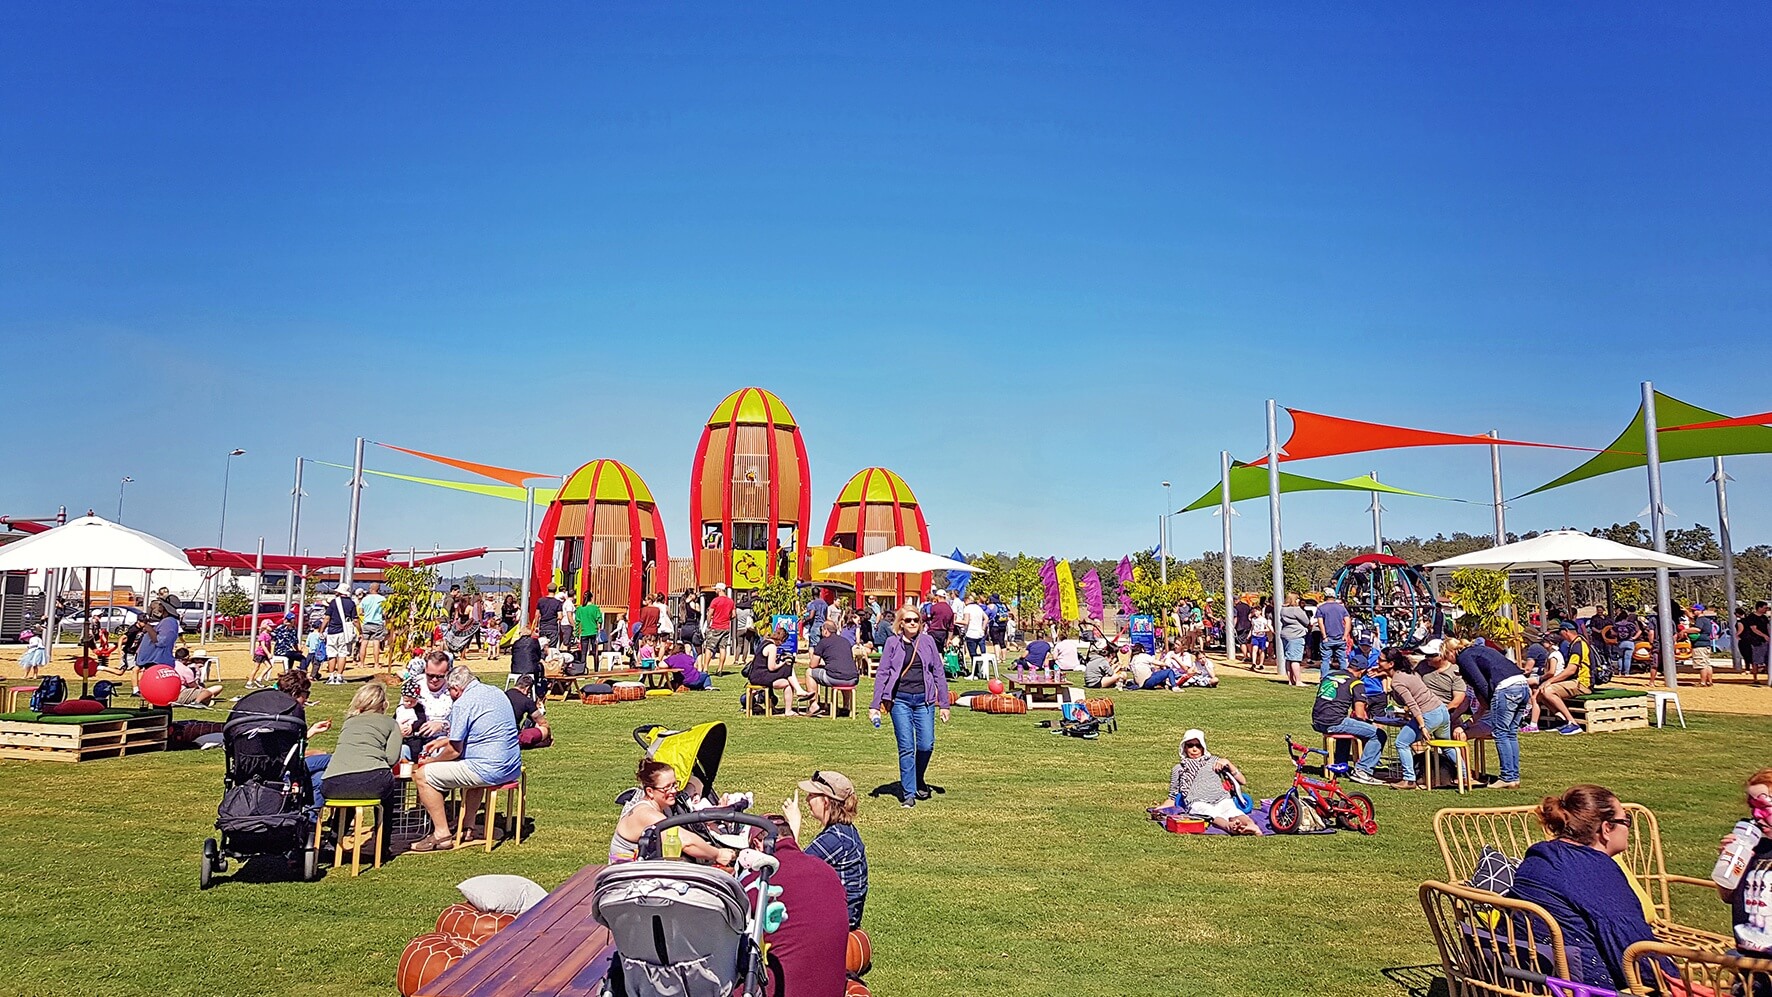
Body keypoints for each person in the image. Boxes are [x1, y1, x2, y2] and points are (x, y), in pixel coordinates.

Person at [1509, 785, 1673, 989]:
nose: (1628, 828)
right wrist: (1675, 980)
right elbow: (1635, 951)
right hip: (1584, 987)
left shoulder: (1537, 858)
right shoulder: (1595, 870)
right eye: (1626, 821)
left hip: (1527, 980)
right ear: (1606, 829)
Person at [410, 664, 522, 852]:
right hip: (511, 765)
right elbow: (480, 732)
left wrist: (430, 762)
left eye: (449, 691)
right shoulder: (496, 692)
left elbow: (454, 751)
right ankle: (467, 825)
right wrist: (444, 741)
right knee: (470, 771)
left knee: (422, 776)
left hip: (487, 769)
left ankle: (441, 834)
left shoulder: (463, 703)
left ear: (456, 689)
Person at [748, 814, 850, 997]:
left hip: (781, 989)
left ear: (757, 845)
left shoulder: (759, 880)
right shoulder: (828, 872)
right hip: (833, 988)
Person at [869, 605, 951, 808]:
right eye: (908, 620)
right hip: (900, 701)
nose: (913, 623)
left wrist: (944, 704)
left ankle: (917, 778)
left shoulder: (928, 641)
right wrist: (875, 704)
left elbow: (938, 671)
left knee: (926, 744)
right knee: (906, 747)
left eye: (916, 620)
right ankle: (908, 793)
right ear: (901, 623)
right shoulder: (892, 643)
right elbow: (883, 673)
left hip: (925, 700)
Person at [608, 759, 738, 866]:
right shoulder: (645, 814)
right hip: (625, 878)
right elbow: (685, 842)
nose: (674, 790)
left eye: (675, 784)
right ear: (650, 791)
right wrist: (718, 854)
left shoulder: (661, 806)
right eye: (667, 788)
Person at [786, 770, 869, 930]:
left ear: (826, 801)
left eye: (812, 795)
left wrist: (794, 824)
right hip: (843, 916)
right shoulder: (844, 830)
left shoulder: (835, 838)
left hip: (836, 923)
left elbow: (792, 870)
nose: (807, 799)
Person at [1449, 636, 1530, 790]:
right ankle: (1514, 777)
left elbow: (1480, 682)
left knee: (1501, 733)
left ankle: (1507, 777)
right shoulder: (1480, 650)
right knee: (1510, 733)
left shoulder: (1464, 657)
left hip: (1505, 688)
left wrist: (1490, 703)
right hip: (1522, 685)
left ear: (1451, 652)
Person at [315, 682, 402, 817]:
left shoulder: (348, 722)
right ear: (383, 704)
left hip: (331, 784)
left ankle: (337, 829)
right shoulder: (391, 723)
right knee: (387, 786)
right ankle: (384, 829)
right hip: (372, 780)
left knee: (349, 792)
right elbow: (392, 759)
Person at [1379, 649, 1458, 791]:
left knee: (1401, 742)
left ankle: (1409, 779)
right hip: (1442, 711)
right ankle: (1465, 775)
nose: (1377, 662)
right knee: (1447, 746)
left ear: (1391, 664)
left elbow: (1412, 704)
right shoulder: (1409, 672)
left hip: (1428, 715)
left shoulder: (1397, 681)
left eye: (1381, 660)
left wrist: (1422, 726)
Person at [1715, 768, 1772, 958]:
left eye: (1763, 806)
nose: (1756, 814)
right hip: (1747, 956)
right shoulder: (1754, 850)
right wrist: (1728, 862)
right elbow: (1728, 896)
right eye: (1752, 806)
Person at [1309, 656, 1385, 785]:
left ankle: (1340, 764)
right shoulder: (1356, 683)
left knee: (1348, 728)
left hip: (1318, 721)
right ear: (1362, 671)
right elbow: (1360, 715)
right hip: (1334, 722)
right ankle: (1363, 770)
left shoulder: (1329, 675)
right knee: (1378, 734)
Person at [1169, 729, 1258, 834]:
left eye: (1198, 745)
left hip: (1221, 798)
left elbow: (1242, 781)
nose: (1194, 749)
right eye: (1190, 745)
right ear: (1184, 747)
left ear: (1203, 747)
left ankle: (1252, 826)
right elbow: (1172, 797)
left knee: (1233, 811)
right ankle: (1230, 826)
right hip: (1197, 802)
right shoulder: (1179, 768)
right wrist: (1158, 809)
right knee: (1210, 813)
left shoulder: (1214, 761)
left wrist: (1228, 763)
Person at [1536, 621, 1594, 735]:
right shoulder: (1575, 643)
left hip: (1582, 682)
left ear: (1566, 631)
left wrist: (1549, 681)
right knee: (1541, 692)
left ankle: (1573, 723)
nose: (1559, 635)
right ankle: (1562, 721)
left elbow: (1571, 670)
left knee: (1548, 690)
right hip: (1574, 681)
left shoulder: (1578, 645)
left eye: (1560, 632)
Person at [746, 625, 813, 715]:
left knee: (788, 682)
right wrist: (783, 662)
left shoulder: (764, 642)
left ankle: (797, 693)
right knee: (788, 667)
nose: (781, 644)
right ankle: (795, 697)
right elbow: (772, 667)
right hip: (761, 676)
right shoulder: (772, 647)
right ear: (781, 639)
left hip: (755, 675)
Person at [806, 621, 860, 715]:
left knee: (809, 672)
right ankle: (846, 706)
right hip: (853, 678)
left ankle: (813, 705)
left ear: (825, 630)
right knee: (844, 674)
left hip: (834, 677)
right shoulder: (845, 641)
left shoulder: (823, 642)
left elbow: (813, 665)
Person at [504, 674, 552, 748]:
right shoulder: (526, 701)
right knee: (544, 730)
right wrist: (549, 735)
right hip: (511, 736)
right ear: (527, 688)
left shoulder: (503, 695)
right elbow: (542, 722)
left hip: (494, 733)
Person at [323, 589, 357, 685]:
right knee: (342, 654)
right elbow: (355, 619)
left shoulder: (334, 602)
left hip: (332, 631)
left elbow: (327, 618)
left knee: (332, 654)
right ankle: (339, 676)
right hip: (345, 632)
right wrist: (360, 631)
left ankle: (331, 677)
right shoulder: (351, 603)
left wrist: (321, 630)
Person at [701, 582, 733, 675]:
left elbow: (710, 613)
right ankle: (720, 669)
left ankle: (705, 668)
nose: (715, 590)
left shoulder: (715, 600)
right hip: (726, 627)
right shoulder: (730, 601)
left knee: (709, 647)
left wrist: (708, 624)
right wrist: (727, 618)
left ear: (719, 589)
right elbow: (734, 614)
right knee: (723, 648)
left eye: (716, 589)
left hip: (715, 626)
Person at [1278, 594, 1311, 686]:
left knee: (1288, 658)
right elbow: (1306, 621)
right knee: (1295, 659)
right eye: (1297, 599)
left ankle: (1291, 680)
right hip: (1296, 635)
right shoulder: (1296, 610)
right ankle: (1298, 681)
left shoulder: (1283, 609)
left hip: (1285, 634)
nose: (1299, 601)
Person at [1315, 591, 1351, 674]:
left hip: (1327, 638)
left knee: (1325, 660)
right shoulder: (1341, 608)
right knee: (1342, 659)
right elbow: (1348, 621)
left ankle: (1324, 678)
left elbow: (1320, 623)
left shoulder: (1321, 608)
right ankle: (1345, 677)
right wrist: (1345, 635)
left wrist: (1324, 636)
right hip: (1340, 638)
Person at [1687, 605, 1718, 687]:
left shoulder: (1700, 620)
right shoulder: (1707, 620)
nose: (1693, 612)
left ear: (1700, 611)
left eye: (1694, 610)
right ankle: (1709, 681)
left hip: (1699, 645)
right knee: (1707, 664)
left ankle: (1703, 682)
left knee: (1701, 665)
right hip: (1706, 644)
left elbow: (1697, 629)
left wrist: (1685, 631)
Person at [358, 583, 387, 669]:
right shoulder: (382, 599)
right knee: (376, 643)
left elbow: (360, 612)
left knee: (364, 642)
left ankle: (361, 663)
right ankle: (376, 664)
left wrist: (367, 613)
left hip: (366, 623)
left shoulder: (365, 599)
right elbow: (385, 612)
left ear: (370, 589)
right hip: (377, 623)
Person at [1249, 603, 1272, 672]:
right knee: (1254, 648)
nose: (1255, 613)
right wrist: (1249, 635)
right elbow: (1252, 628)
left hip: (1262, 637)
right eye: (1254, 611)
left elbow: (1268, 629)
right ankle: (1254, 663)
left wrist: (1261, 630)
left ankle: (1261, 664)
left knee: (1261, 650)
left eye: (1257, 611)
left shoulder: (1263, 620)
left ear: (1260, 612)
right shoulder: (1253, 619)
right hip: (1255, 636)